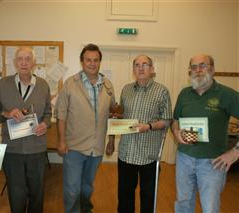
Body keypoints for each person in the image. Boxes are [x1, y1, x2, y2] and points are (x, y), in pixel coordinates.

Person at [172, 54, 239, 213]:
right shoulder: (185, 94)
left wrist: (235, 152)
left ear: (212, 69)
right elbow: (176, 120)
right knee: (183, 204)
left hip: (212, 163)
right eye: (194, 67)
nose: (198, 70)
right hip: (184, 158)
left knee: (209, 208)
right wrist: (175, 131)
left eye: (202, 65)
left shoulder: (226, 94)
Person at [106, 55, 172, 213]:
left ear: (152, 69)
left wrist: (148, 126)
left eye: (145, 64)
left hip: (149, 154)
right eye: (137, 65)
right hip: (126, 153)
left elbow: (167, 120)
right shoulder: (126, 89)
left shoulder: (161, 91)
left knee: (148, 197)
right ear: (133, 70)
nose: (141, 68)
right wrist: (112, 138)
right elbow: (122, 116)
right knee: (125, 196)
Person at [55, 43, 115, 213]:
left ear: (100, 62)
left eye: (96, 60)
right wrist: (61, 141)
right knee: (72, 188)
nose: (92, 63)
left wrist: (111, 141)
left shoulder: (108, 86)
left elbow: (113, 116)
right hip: (74, 146)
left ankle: (85, 209)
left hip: (96, 148)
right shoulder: (70, 84)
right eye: (88, 60)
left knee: (87, 186)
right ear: (82, 61)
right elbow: (61, 114)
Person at [0, 46, 51, 213]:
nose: (24, 63)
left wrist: (46, 124)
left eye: (28, 59)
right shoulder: (3, 84)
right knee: (16, 193)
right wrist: (8, 113)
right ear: (14, 62)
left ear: (34, 63)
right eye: (20, 59)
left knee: (37, 193)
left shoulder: (43, 85)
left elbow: (48, 113)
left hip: (36, 149)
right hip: (12, 150)